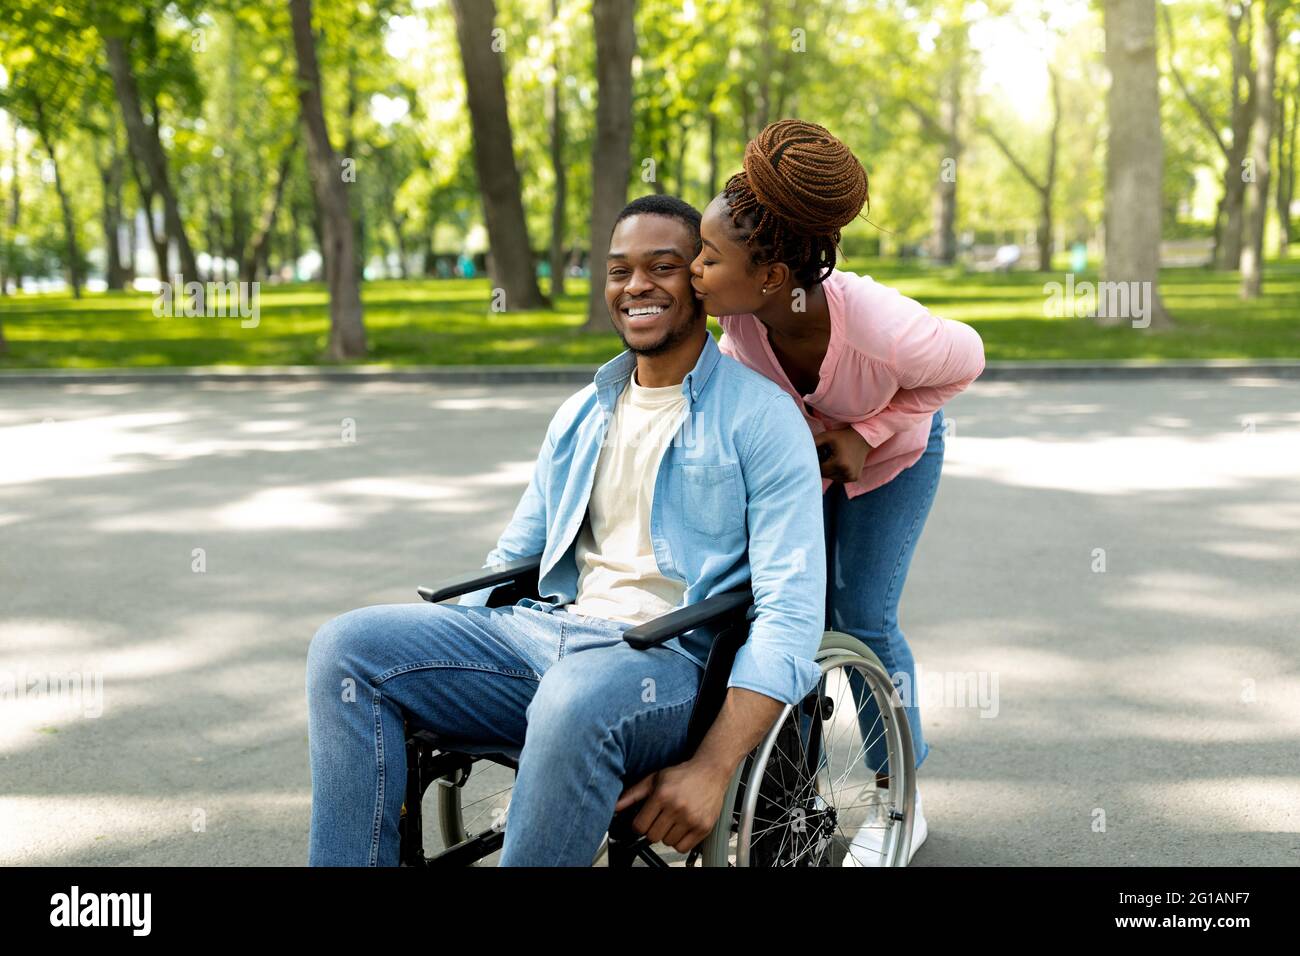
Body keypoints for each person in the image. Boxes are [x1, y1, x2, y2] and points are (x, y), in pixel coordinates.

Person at [306, 195, 826, 866]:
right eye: (618, 270)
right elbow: (515, 557)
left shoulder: (760, 418)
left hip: (670, 667)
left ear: (698, 280)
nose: (636, 285)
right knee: (346, 647)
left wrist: (713, 769)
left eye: (662, 266)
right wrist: (444, 667)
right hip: (545, 636)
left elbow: (791, 612)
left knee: (573, 698)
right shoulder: (581, 414)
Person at [689, 119, 987, 865]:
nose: (693, 267)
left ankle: (899, 797)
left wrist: (870, 434)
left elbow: (966, 363)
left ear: (772, 277)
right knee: (790, 610)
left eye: (707, 256)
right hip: (805, 460)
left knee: (862, 614)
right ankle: (788, 795)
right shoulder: (738, 313)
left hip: (895, 458)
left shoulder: (884, 329)